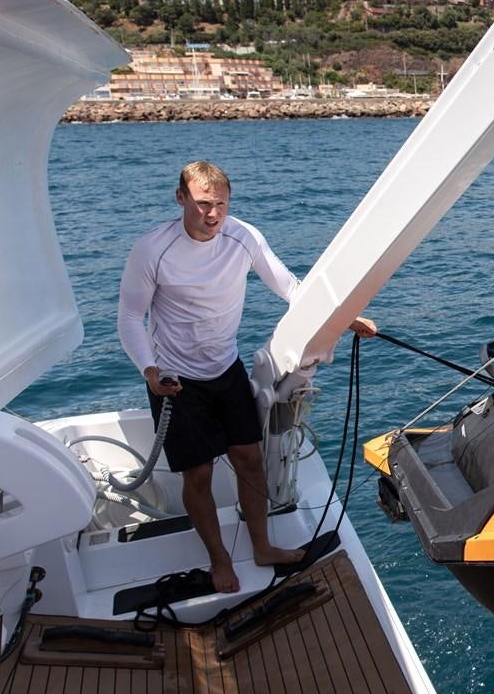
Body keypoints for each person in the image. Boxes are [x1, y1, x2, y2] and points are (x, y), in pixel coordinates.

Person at [118, 161, 376, 592]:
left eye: (221, 204)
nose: (213, 214)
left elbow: (290, 287)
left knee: (249, 460)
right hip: (175, 379)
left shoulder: (244, 237)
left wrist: (343, 317)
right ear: (180, 198)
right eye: (203, 204)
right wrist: (150, 371)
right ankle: (220, 560)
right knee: (197, 474)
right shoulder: (152, 250)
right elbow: (130, 317)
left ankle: (262, 546)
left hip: (225, 368)